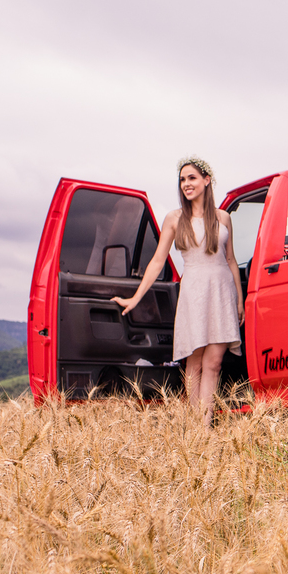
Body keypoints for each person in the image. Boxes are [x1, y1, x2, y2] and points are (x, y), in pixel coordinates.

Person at [112, 157, 244, 424]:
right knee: (194, 363)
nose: (186, 184)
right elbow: (158, 260)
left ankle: (204, 426)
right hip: (193, 293)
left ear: (207, 180)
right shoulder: (175, 218)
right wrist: (136, 297)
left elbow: (230, 260)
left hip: (222, 293)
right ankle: (194, 425)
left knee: (214, 363)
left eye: (192, 178)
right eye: (182, 179)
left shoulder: (224, 218)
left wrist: (240, 300)